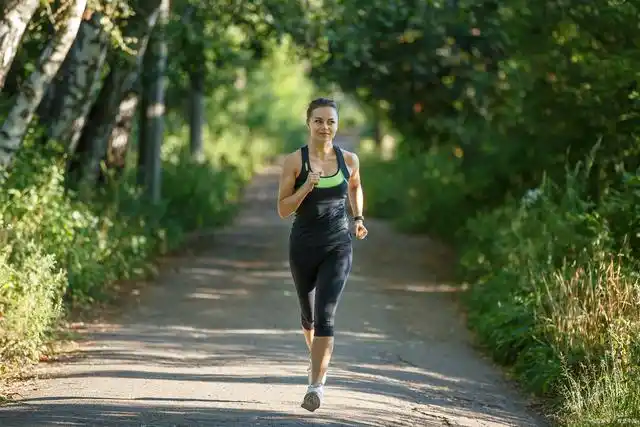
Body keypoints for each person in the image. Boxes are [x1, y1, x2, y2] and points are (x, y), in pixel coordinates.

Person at [276, 97, 368, 412]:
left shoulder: (350, 160)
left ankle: (316, 386)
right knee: (309, 316)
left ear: (336, 125)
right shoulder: (295, 162)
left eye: (330, 121)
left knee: (326, 316)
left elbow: (355, 186)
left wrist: (357, 219)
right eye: (318, 120)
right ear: (309, 123)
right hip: (302, 246)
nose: (324, 127)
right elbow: (282, 209)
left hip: (338, 244)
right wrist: (305, 188)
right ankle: (314, 358)